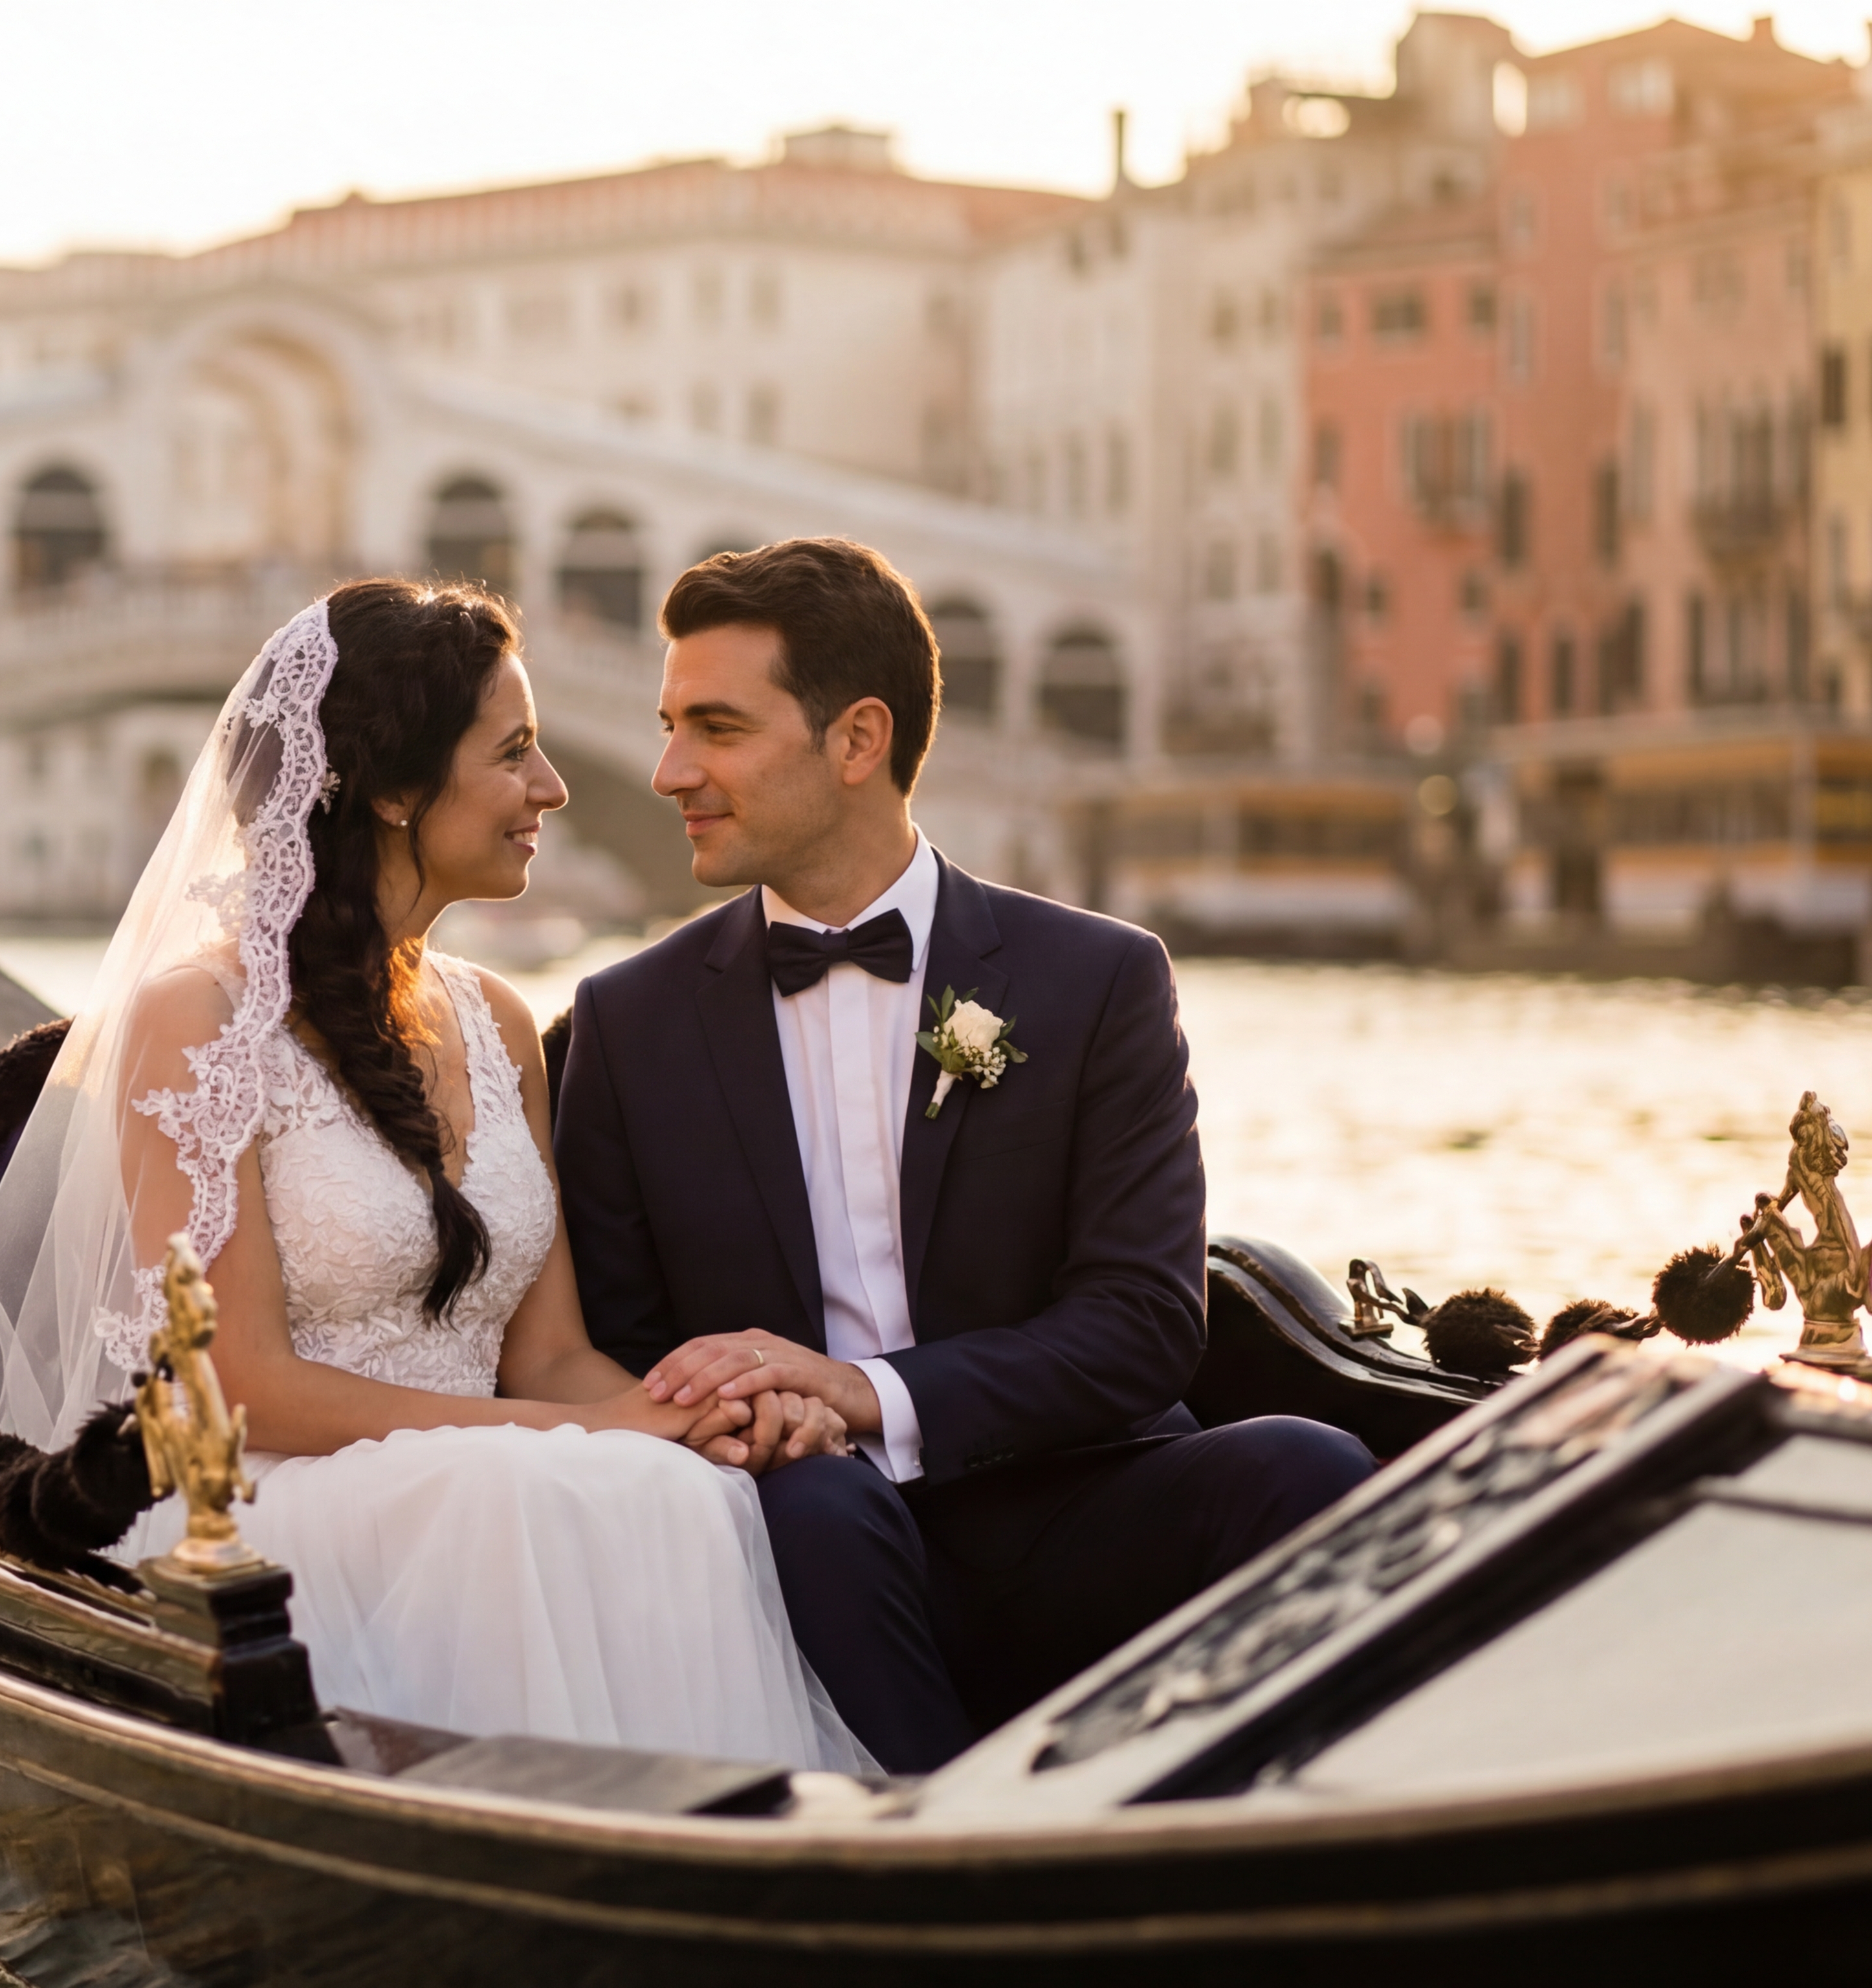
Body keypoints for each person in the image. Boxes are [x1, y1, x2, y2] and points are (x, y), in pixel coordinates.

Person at [0, 579, 874, 1771]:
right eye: (515, 754)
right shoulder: (197, 1021)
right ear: (394, 790)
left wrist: (700, 1415)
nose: (554, 788)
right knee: (534, 1495)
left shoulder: (496, 1021)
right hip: (280, 1503)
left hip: (494, 1479)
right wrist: (575, 1432)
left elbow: (547, 1356)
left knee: (679, 1492)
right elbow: (235, 1385)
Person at [555, 537, 1378, 1774]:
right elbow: (619, 1342)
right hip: (790, 1529)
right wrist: (764, 1415)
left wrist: (866, 1392)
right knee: (822, 1513)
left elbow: (1147, 1320)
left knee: (1307, 1467)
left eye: (715, 728)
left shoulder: (1099, 978)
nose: (671, 771)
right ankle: (962, 1875)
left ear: (857, 739)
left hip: (1073, 1498)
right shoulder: (626, 1024)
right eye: (670, 726)